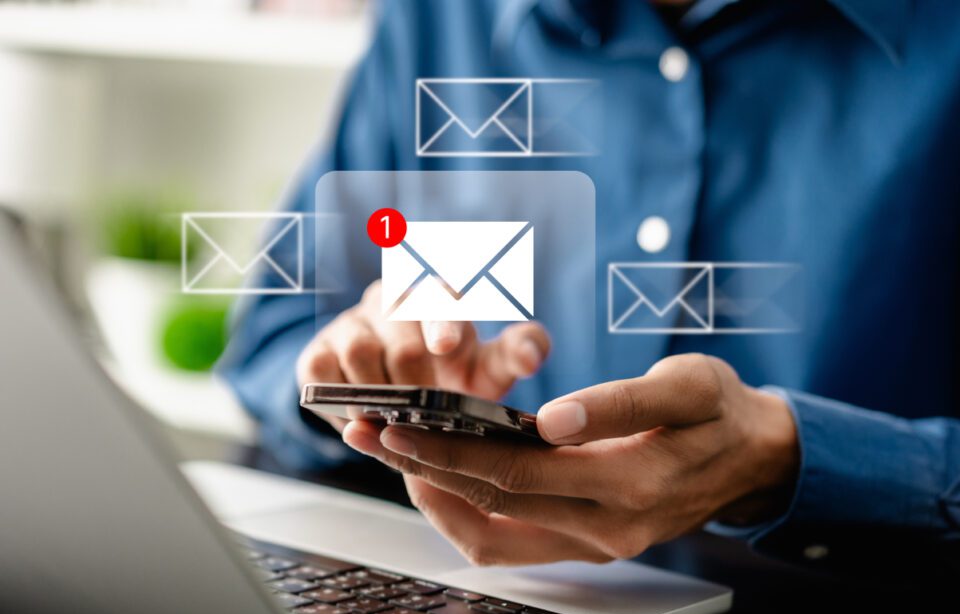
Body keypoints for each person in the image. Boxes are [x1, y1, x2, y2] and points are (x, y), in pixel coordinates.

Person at [219, 0, 960, 576]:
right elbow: (275, 336)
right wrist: (367, 367)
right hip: (487, 611)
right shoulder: (436, 15)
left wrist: (792, 459)